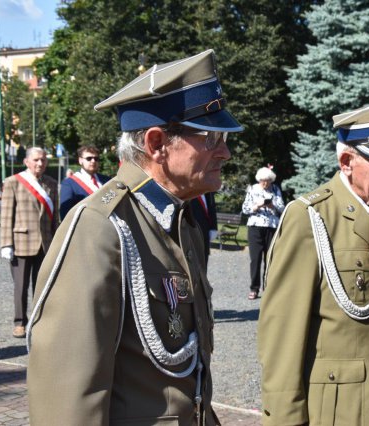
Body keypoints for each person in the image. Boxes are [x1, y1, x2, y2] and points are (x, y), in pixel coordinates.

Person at [26, 50, 243, 425]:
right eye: (211, 138)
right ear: (157, 143)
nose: (224, 152)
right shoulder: (99, 228)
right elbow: (68, 398)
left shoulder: (180, 218)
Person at [258, 99, 369, 425]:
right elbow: (282, 333)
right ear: (346, 161)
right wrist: (285, 418)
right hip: (334, 411)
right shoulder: (309, 217)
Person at [0, 147, 57, 338]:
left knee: (43, 284)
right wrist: (6, 243)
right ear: (26, 162)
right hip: (21, 242)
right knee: (21, 286)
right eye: (36, 160)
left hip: (46, 243)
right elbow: (7, 215)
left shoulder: (51, 183)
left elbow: (54, 218)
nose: (40, 163)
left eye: (43, 160)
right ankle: (19, 322)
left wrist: (56, 242)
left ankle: (40, 320)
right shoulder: (13, 182)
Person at [241, 167, 284, 299]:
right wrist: (257, 206)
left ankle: (268, 287)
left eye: (267, 181)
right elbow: (245, 209)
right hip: (255, 227)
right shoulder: (253, 189)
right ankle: (254, 288)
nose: (265, 184)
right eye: (263, 181)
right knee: (255, 259)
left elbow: (282, 207)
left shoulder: (275, 189)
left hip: (271, 226)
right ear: (259, 180)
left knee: (270, 258)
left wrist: (272, 206)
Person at [59, 144, 111, 220]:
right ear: (80, 160)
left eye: (96, 159)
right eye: (89, 158)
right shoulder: (69, 184)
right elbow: (65, 214)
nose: (93, 161)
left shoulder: (107, 180)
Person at [191, 192, 218, 266]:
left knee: (203, 263)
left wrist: (214, 227)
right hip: (188, 228)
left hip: (204, 229)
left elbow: (211, 205)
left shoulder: (207, 186)